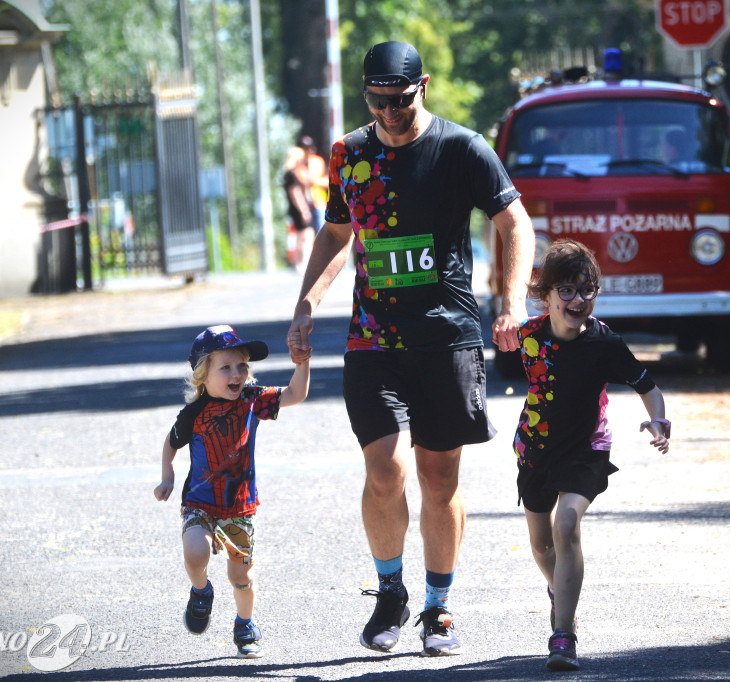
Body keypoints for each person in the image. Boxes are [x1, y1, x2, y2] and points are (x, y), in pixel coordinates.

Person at [286, 40, 534, 657]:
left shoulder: (461, 148)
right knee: (385, 469)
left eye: (399, 100)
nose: (389, 114)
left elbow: (514, 222)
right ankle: (391, 591)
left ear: (422, 86)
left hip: (447, 335)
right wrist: (307, 303)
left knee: (438, 475)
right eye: (376, 102)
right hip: (374, 339)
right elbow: (339, 233)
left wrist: (513, 302)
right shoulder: (350, 153)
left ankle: (439, 606)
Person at [513, 239, 669, 672]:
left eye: (587, 289)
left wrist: (659, 421)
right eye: (566, 290)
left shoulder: (604, 343)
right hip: (535, 448)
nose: (578, 299)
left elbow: (649, 389)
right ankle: (560, 593)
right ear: (544, 296)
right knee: (542, 546)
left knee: (567, 526)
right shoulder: (526, 337)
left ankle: (563, 635)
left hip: (587, 448)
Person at [153, 324, 310, 658]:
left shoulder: (253, 401)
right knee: (196, 553)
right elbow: (172, 441)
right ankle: (201, 591)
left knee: (242, 576)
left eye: (242, 366)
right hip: (200, 502)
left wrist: (302, 362)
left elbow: (296, 394)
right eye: (225, 367)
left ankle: (245, 622)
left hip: (240, 506)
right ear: (203, 376)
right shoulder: (194, 413)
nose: (236, 373)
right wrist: (167, 475)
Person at [282, 146, 315, 268]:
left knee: (301, 235)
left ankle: (299, 263)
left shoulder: (286, 174)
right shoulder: (292, 174)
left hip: (292, 208)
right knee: (306, 235)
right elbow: (295, 193)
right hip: (298, 208)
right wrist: (304, 210)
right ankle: (302, 262)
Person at [299, 134, 329, 231]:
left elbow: (327, 181)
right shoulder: (299, 164)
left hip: (318, 202)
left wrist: (314, 181)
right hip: (305, 205)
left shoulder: (318, 161)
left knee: (320, 231)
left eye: (309, 148)